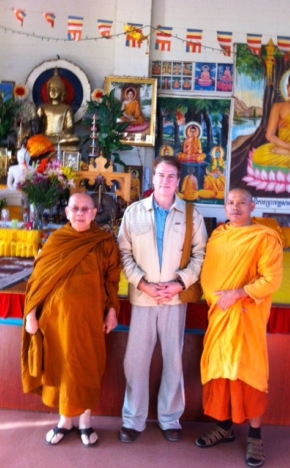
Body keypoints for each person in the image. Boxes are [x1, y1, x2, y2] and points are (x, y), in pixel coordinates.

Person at [117, 156, 207, 443]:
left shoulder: (191, 215)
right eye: (160, 175)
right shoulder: (133, 213)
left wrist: (179, 283)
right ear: (152, 178)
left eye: (171, 176)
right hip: (143, 297)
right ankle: (133, 419)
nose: (165, 180)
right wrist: (141, 283)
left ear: (177, 180)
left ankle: (170, 418)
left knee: (174, 360)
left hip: (174, 298)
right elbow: (124, 254)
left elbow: (200, 255)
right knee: (136, 361)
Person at [21, 192, 121, 447]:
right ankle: (65, 421)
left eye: (85, 208)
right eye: (75, 208)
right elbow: (37, 282)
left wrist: (111, 311)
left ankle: (86, 422)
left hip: (90, 321)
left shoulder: (103, 242)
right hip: (56, 322)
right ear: (66, 212)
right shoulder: (56, 240)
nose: (80, 213)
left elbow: (112, 280)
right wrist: (31, 314)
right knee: (62, 367)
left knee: (86, 369)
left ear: (94, 211)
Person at [195, 188, 283, 468]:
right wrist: (218, 300)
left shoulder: (264, 238)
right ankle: (224, 426)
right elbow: (208, 274)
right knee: (219, 370)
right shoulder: (218, 236)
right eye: (230, 203)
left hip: (246, 314)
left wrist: (237, 294)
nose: (235, 207)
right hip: (219, 315)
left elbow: (271, 280)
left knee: (249, 372)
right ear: (225, 207)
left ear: (252, 206)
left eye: (241, 203)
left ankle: (255, 436)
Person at [36, 68, 80, 149]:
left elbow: (70, 127)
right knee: (34, 140)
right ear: (47, 91)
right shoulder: (42, 107)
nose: (53, 91)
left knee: (76, 139)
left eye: (56, 89)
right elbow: (37, 125)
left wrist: (63, 134)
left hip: (60, 138)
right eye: (51, 89)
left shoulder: (66, 109)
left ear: (62, 92)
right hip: (45, 137)